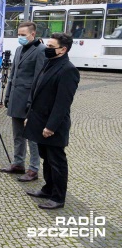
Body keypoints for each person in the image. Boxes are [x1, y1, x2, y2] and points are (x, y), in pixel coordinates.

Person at [24, 32, 79, 210]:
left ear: (62, 49)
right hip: (39, 121)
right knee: (46, 158)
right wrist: (29, 117)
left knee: (57, 162)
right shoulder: (50, 62)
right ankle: (48, 189)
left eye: (50, 47)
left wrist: (51, 127)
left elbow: (63, 103)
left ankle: (58, 197)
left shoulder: (68, 70)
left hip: (53, 126)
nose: (46, 49)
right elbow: (38, 91)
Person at [1, 22, 46, 182]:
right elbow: (13, 75)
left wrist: (31, 102)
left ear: (32, 34)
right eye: (18, 34)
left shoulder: (41, 51)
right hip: (15, 98)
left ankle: (33, 169)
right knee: (17, 135)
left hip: (29, 101)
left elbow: (38, 79)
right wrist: (7, 95)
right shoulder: (19, 49)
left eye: (23, 35)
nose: (20, 37)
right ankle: (18, 163)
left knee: (32, 137)